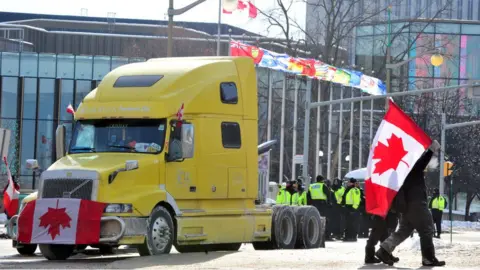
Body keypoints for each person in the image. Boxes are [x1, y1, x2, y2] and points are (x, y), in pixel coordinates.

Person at [375, 140, 446, 267]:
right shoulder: (411, 166)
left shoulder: (401, 168)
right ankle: (428, 258)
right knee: (427, 229)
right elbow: (422, 163)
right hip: (417, 204)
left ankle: (384, 250)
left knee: (403, 231)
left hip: (407, 206)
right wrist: (431, 149)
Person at [307, 175, 332, 240]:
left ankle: (314, 234)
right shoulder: (322, 185)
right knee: (323, 219)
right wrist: (329, 203)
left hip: (313, 204)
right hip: (322, 204)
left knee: (314, 219)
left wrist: (309, 204)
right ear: (322, 180)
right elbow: (328, 194)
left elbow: (308, 196)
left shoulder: (311, 186)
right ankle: (325, 236)